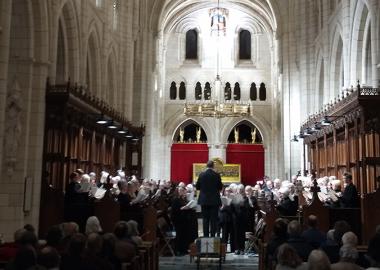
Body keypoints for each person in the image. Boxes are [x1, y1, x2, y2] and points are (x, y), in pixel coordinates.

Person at [196, 160, 223, 237]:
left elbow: (197, 187)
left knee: (205, 219)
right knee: (213, 220)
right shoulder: (217, 175)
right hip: (214, 201)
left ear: (206, 166)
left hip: (204, 200)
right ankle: (213, 237)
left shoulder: (201, 175)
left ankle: (206, 236)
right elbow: (220, 187)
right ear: (213, 166)